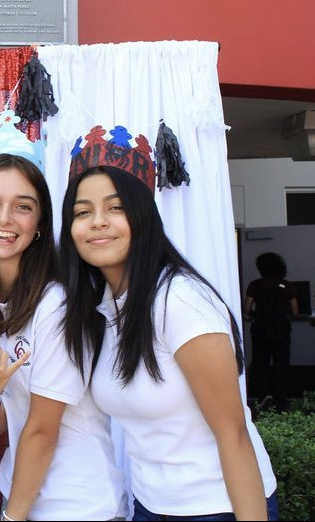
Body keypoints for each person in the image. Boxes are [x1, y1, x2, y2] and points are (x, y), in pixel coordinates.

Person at [59, 127, 278, 521]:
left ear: (143, 215)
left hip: (218, 506)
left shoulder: (180, 302)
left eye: (116, 207)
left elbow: (234, 437)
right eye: (82, 212)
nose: (97, 222)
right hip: (150, 504)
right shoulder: (103, 307)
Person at [0, 111, 127, 521]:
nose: (4, 219)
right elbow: (5, 424)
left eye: (22, 207)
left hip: (79, 505)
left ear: (41, 221)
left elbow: (44, 430)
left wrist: (12, 517)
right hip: (29, 499)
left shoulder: (57, 305)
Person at [244, 252, 298, 412]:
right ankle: (281, 401)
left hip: (260, 330)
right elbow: (295, 311)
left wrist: (253, 315)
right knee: (281, 365)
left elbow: (247, 309)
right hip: (281, 331)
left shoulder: (255, 285)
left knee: (261, 363)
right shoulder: (287, 286)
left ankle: (264, 396)